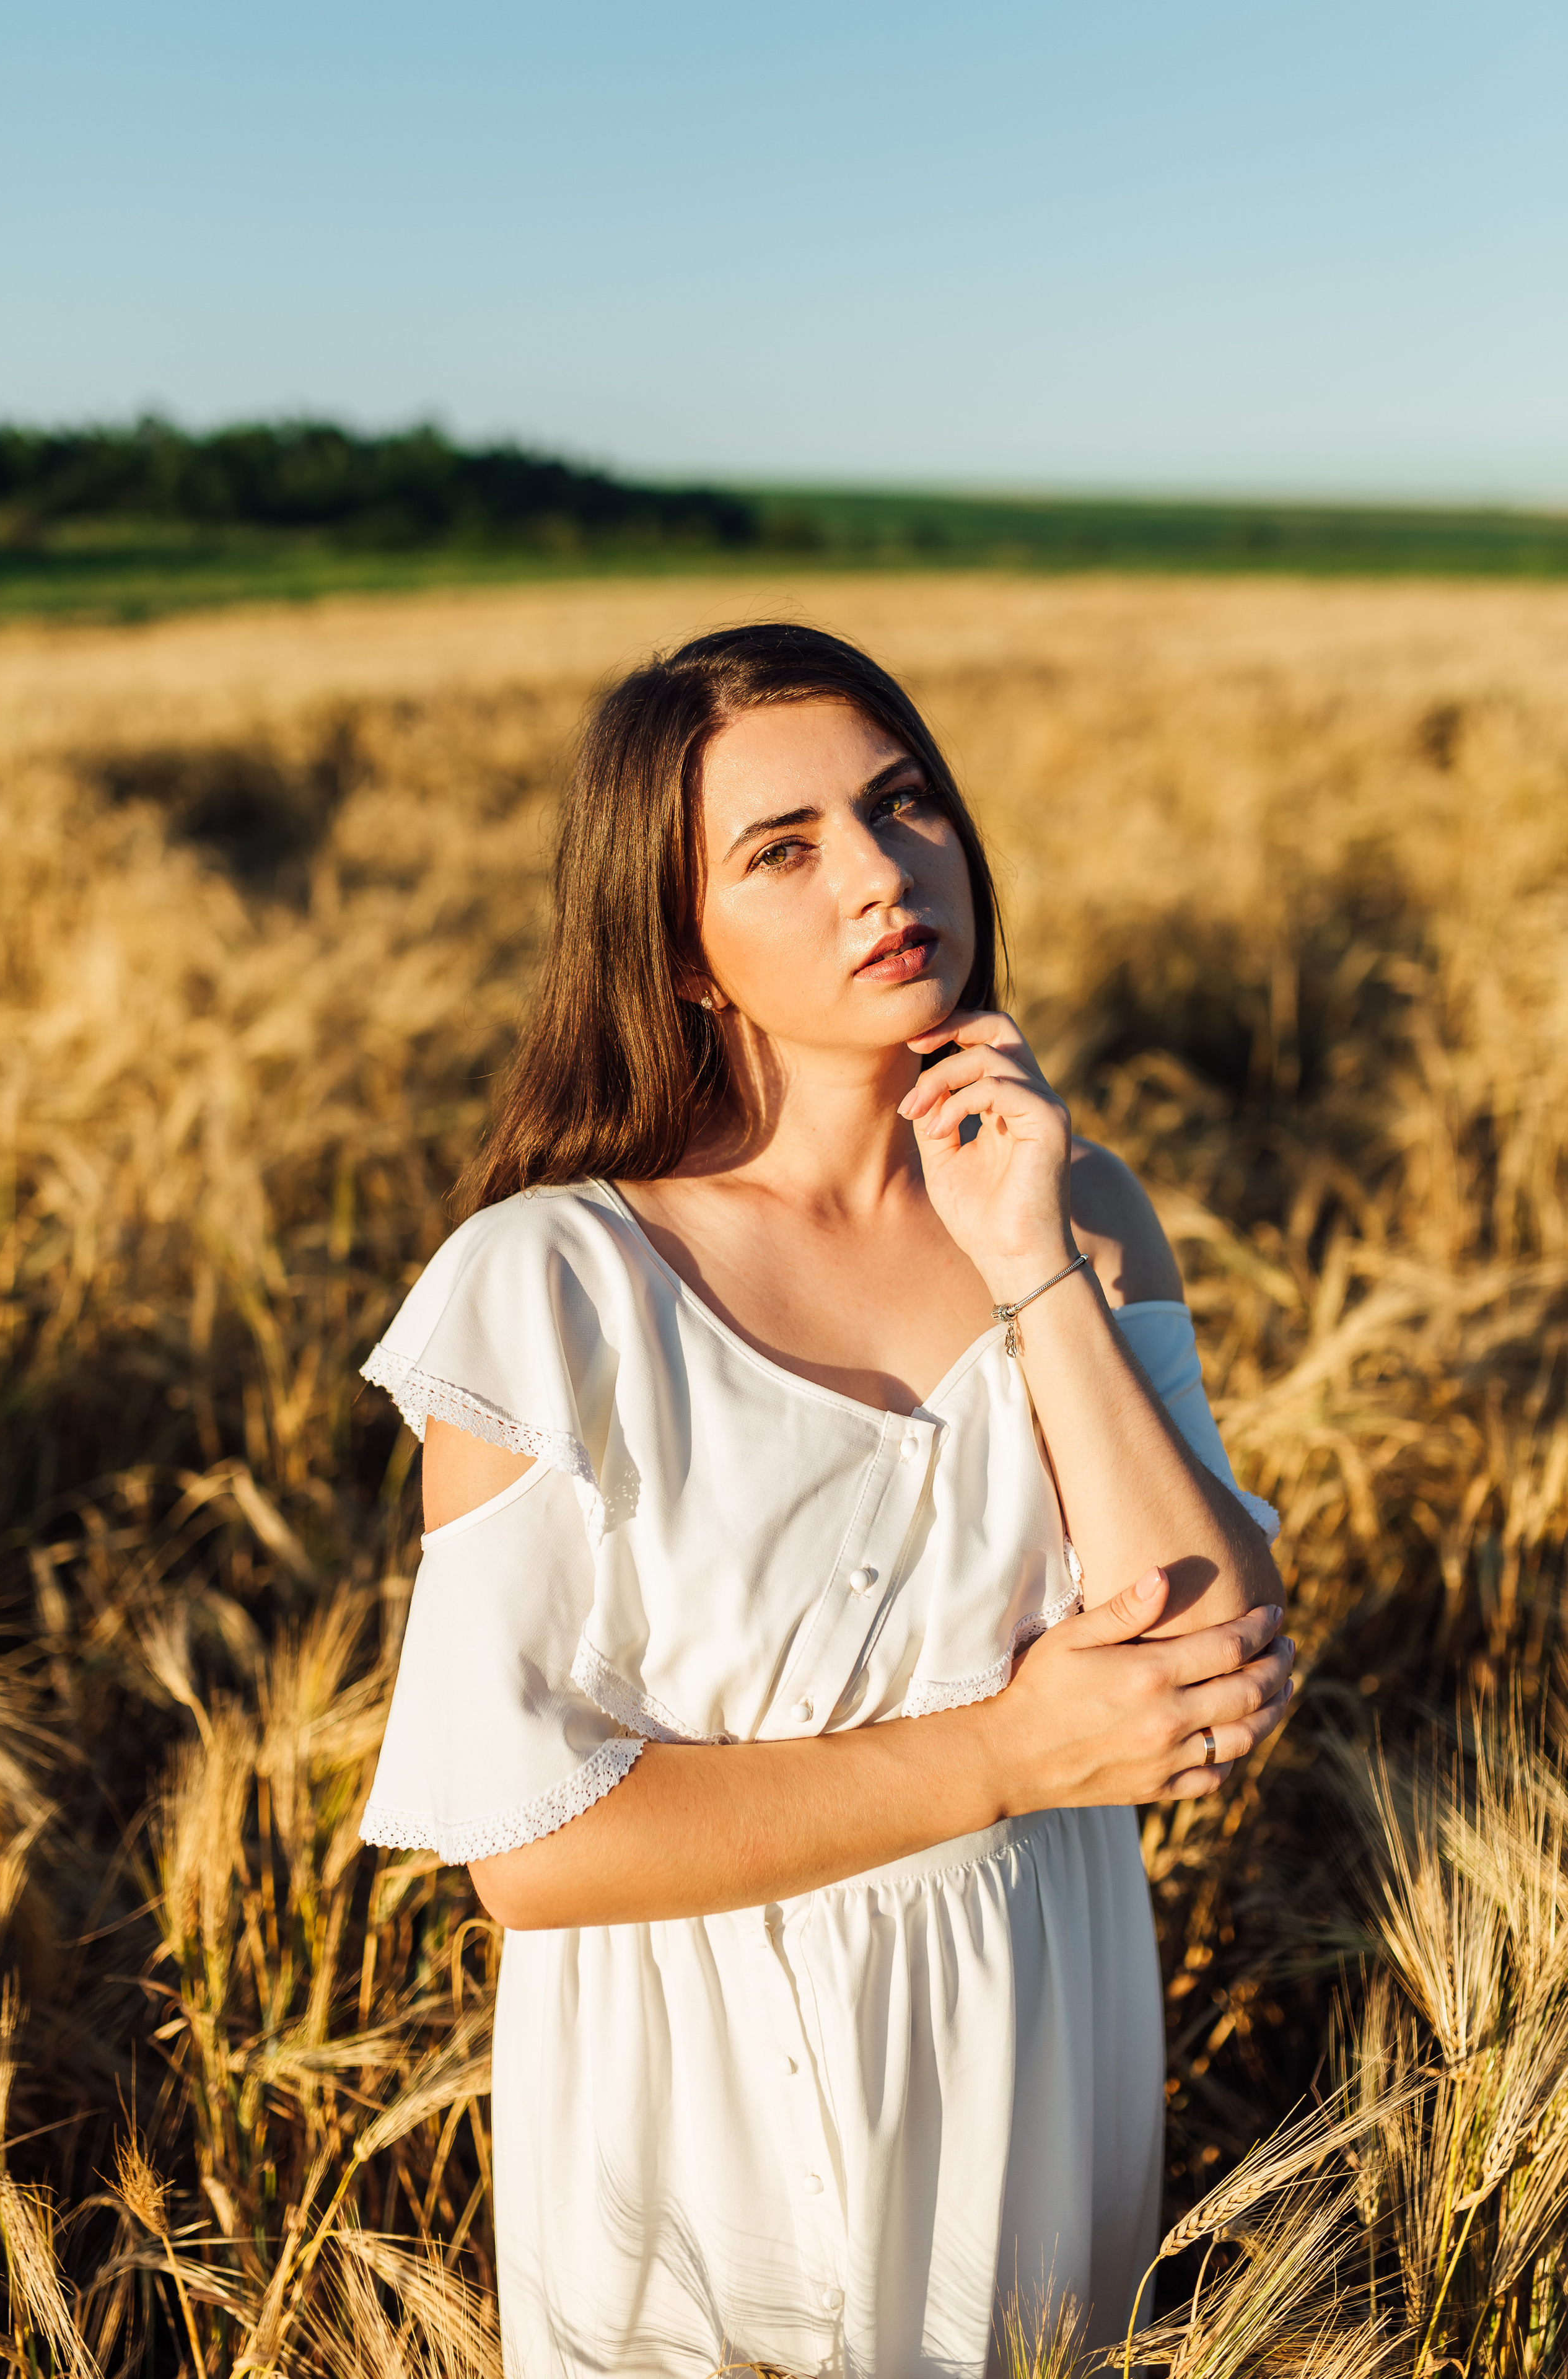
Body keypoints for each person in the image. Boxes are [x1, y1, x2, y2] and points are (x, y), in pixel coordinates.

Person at [357, 624, 1292, 2379]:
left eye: (902, 804)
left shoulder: (1080, 1211)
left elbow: (1219, 1657)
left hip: (1031, 2055)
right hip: (703, 2104)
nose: (879, 874)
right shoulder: (550, 1286)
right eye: (782, 851)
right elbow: (528, 1849)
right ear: (686, 951)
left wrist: (1033, 1269)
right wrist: (1007, 1759)